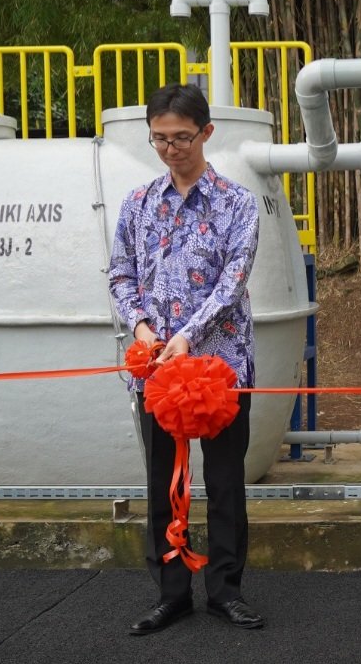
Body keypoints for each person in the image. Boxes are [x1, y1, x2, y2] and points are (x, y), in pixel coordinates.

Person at [109, 83, 262, 635]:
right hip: (156, 371)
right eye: (159, 139)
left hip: (221, 368)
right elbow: (120, 274)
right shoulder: (137, 203)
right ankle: (171, 592)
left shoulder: (237, 203)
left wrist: (188, 338)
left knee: (225, 484)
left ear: (206, 133)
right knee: (162, 484)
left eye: (182, 138)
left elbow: (233, 282)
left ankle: (225, 591)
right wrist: (142, 328)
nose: (171, 149)